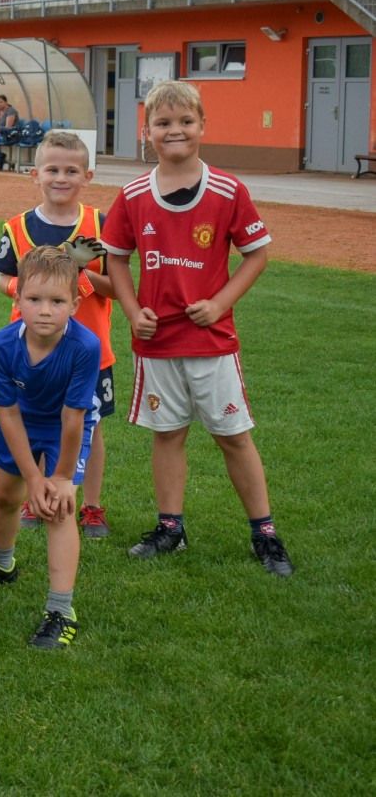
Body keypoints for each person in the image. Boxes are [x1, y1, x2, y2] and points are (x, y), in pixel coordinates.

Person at [103, 80, 292, 576]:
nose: (175, 130)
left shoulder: (228, 190)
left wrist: (220, 302)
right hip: (157, 342)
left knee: (234, 436)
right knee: (168, 435)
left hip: (212, 341)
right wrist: (131, 310)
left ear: (202, 126)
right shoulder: (133, 194)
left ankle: (265, 533)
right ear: (147, 131)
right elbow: (116, 259)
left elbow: (257, 254)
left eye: (186, 121)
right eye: (163, 122)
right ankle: (171, 528)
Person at [0, 246, 102, 651]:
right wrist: (32, 477)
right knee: (5, 495)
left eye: (57, 301)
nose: (45, 310)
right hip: (21, 422)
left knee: (59, 508)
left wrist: (60, 478)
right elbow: (9, 413)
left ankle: (61, 610)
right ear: (17, 299)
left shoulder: (85, 346)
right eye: (34, 299)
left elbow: (73, 417)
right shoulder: (0, 344)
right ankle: (1, 565)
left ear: (75, 304)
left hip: (64, 426)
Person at [0, 130, 117, 537]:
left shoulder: (100, 225)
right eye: (52, 170)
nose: (61, 178)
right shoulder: (17, 227)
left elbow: (117, 286)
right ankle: (40, 494)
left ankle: (91, 505)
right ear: (35, 174)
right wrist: (33, 288)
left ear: (87, 177)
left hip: (88, 349)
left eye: (71, 171)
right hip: (32, 352)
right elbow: (2, 280)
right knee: (37, 421)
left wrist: (79, 273)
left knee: (90, 425)